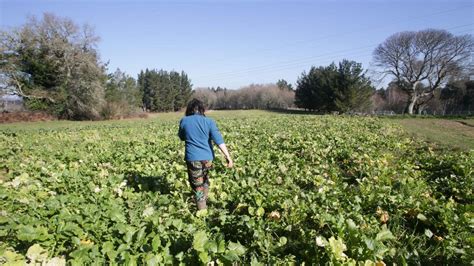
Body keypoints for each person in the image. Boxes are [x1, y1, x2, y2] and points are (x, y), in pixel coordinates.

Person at [178, 99, 233, 210]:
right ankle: (204, 200)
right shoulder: (209, 122)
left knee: (198, 186)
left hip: (193, 158)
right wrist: (228, 156)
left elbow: (182, 137)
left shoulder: (184, 121)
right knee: (205, 179)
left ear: (189, 109)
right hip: (207, 159)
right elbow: (219, 140)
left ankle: (202, 210)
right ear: (202, 109)